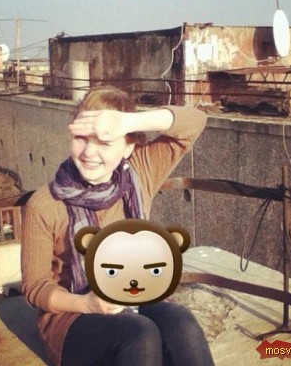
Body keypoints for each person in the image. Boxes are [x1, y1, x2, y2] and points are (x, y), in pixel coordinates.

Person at [21, 86, 214, 366]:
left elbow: (195, 121)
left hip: (134, 290)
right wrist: (87, 303)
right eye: (81, 138)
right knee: (140, 334)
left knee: (180, 321)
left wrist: (129, 122)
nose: (89, 152)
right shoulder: (46, 203)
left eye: (105, 142)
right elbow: (35, 287)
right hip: (73, 313)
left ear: (129, 147)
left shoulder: (139, 172)